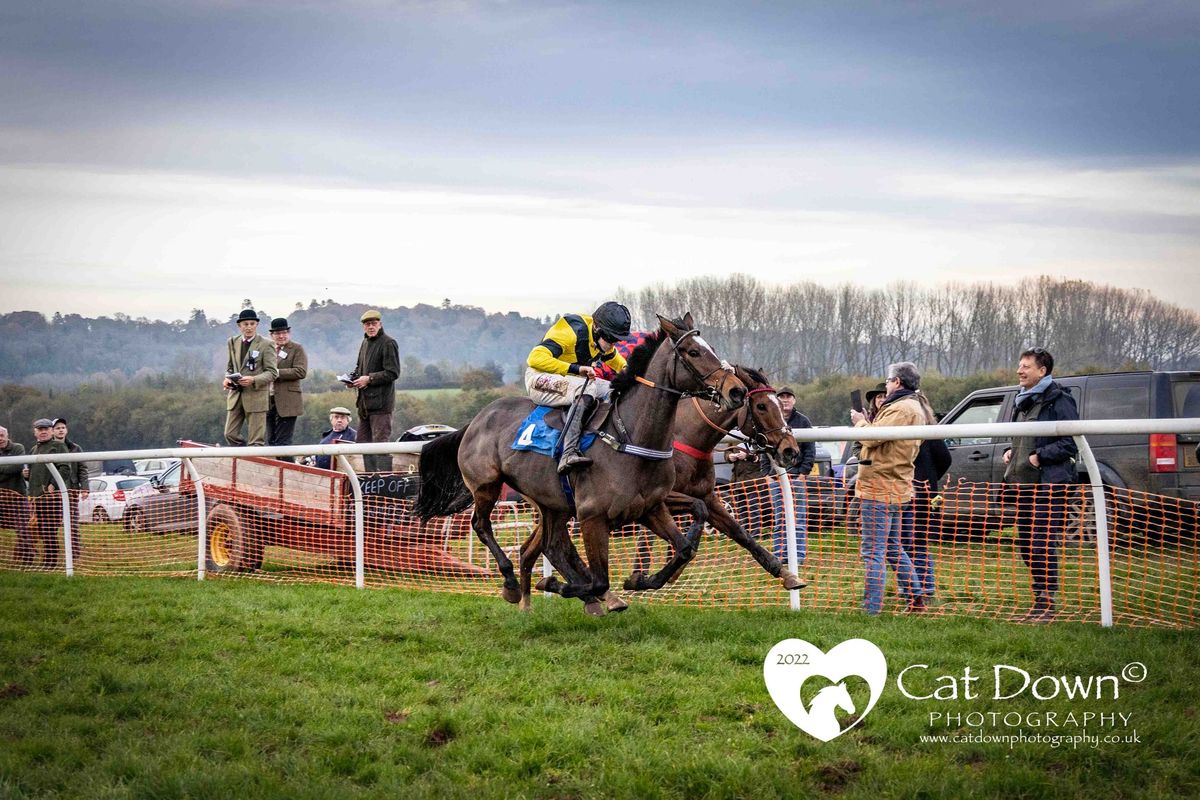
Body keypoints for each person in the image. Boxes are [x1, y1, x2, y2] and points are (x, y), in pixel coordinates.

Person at [1002, 347, 1079, 623]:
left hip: (1049, 485)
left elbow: (1070, 442)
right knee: (1026, 545)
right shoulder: (1021, 401)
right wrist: (1012, 451)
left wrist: (1038, 457)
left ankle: (1047, 604)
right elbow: (1019, 437)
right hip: (1022, 486)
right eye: (1019, 365)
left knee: (1040, 544)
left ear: (1042, 371)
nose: (1019, 370)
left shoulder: (1060, 400)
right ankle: (1039, 601)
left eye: (1026, 366)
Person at [849, 363, 925, 615]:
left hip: (880, 487)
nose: (886, 385)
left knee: (873, 552)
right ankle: (916, 598)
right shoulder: (913, 406)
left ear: (898, 382)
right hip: (895, 485)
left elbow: (871, 438)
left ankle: (871, 609)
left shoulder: (902, 408)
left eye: (888, 380)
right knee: (892, 547)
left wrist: (860, 423)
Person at [525, 302, 631, 474]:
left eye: (617, 340)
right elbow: (534, 358)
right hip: (539, 379)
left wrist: (633, 375)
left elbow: (616, 361)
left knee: (614, 390)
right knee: (588, 388)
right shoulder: (570, 332)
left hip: (572, 382)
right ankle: (569, 452)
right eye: (611, 339)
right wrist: (576, 369)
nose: (614, 344)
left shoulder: (599, 337)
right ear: (597, 328)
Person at [904, 394, 950, 604]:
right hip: (915, 493)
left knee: (916, 543)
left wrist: (927, 480)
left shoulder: (929, 435)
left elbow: (944, 459)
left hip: (921, 497)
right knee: (908, 543)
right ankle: (912, 588)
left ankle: (924, 588)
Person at [350, 310, 400, 473]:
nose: (370, 327)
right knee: (363, 443)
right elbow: (359, 368)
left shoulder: (388, 343)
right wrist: (353, 380)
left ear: (380, 324)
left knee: (380, 445)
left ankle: (385, 482)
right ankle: (371, 477)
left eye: (373, 323)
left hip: (381, 405)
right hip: (364, 404)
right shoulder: (365, 343)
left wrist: (369, 379)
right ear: (363, 327)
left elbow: (393, 372)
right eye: (367, 324)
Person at [223, 309, 279, 447]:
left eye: (252, 324)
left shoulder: (266, 344)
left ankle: (252, 463)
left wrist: (254, 379)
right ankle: (243, 455)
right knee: (229, 434)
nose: (249, 327)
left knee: (255, 442)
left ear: (257, 325)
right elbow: (230, 367)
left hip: (256, 396)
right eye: (245, 324)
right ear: (239, 326)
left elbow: (272, 372)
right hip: (236, 395)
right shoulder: (232, 342)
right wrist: (227, 378)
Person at [26, 418, 70, 568]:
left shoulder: (59, 446)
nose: (43, 432)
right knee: (41, 531)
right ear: (35, 432)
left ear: (51, 431)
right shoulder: (33, 450)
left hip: (52, 499)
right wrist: (27, 475)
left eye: (46, 429)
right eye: (40, 429)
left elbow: (65, 468)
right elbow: (33, 473)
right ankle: (47, 559)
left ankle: (51, 561)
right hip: (37, 498)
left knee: (49, 530)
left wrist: (53, 484)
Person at [266, 317, 308, 461]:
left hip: (288, 401)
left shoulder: (297, 349)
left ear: (288, 333)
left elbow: (301, 371)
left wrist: (277, 373)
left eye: (284, 332)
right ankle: (278, 472)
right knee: (271, 440)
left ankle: (289, 471)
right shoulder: (267, 349)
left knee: (283, 442)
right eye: (278, 333)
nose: (281, 336)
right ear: (271, 335)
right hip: (267, 400)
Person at [51, 417, 87, 557]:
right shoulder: (49, 448)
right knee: (52, 523)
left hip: (71, 490)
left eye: (63, 428)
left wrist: (84, 488)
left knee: (72, 523)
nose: (61, 430)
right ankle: (53, 552)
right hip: (53, 492)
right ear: (52, 431)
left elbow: (82, 469)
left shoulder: (75, 448)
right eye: (58, 428)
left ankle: (74, 552)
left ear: (66, 430)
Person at [0, 426, 32, 562]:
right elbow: (10, 470)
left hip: (17, 497)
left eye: (1, 435)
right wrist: (7, 470)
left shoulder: (18, 448)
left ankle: (28, 558)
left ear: (7, 436)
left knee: (23, 530)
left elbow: (17, 467)